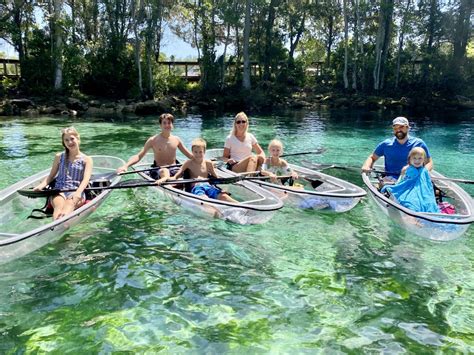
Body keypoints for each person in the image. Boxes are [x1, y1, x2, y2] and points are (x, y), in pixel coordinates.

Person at [34, 127, 93, 220]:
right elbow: (51, 175)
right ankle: (55, 228)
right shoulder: (59, 157)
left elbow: (86, 179)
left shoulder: (87, 159)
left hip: (77, 190)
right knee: (59, 207)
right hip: (59, 190)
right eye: (66, 140)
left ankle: (61, 226)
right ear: (64, 143)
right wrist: (41, 186)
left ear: (78, 138)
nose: (70, 142)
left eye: (72, 139)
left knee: (69, 205)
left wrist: (78, 193)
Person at [117, 113, 193, 183]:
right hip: (159, 169)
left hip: (174, 168)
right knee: (164, 170)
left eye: (169, 123)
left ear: (172, 125)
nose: (167, 125)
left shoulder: (177, 139)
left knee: (190, 169)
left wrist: (202, 161)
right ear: (160, 125)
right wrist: (125, 166)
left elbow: (189, 155)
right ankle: (167, 182)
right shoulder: (153, 140)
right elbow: (139, 156)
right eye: (164, 123)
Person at [361, 116, 433, 182]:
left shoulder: (419, 143)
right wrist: (366, 166)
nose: (398, 130)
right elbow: (372, 157)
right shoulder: (386, 144)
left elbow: (429, 162)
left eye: (401, 127)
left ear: (407, 128)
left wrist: (423, 173)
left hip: (413, 178)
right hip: (391, 179)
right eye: (395, 128)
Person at [168, 138, 237, 203]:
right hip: (196, 187)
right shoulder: (188, 163)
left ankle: (244, 208)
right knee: (204, 199)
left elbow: (215, 176)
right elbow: (178, 174)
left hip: (208, 186)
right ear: (192, 152)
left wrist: (224, 183)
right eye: (195, 152)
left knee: (224, 196)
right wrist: (171, 179)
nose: (198, 154)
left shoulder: (208, 163)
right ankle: (214, 212)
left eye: (200, 152)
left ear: (204, 152)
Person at [381, 147, 439, 213]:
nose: (417, 161)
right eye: (414, 158)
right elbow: (401, 180)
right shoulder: (406, 169)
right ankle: (412, 217)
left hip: (423, 192)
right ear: (410, 159)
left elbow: (427, 184)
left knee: (429, 203)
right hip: (408, 191)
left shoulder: (424, 171)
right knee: (412, 202)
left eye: (420, 158)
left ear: (424, 160)